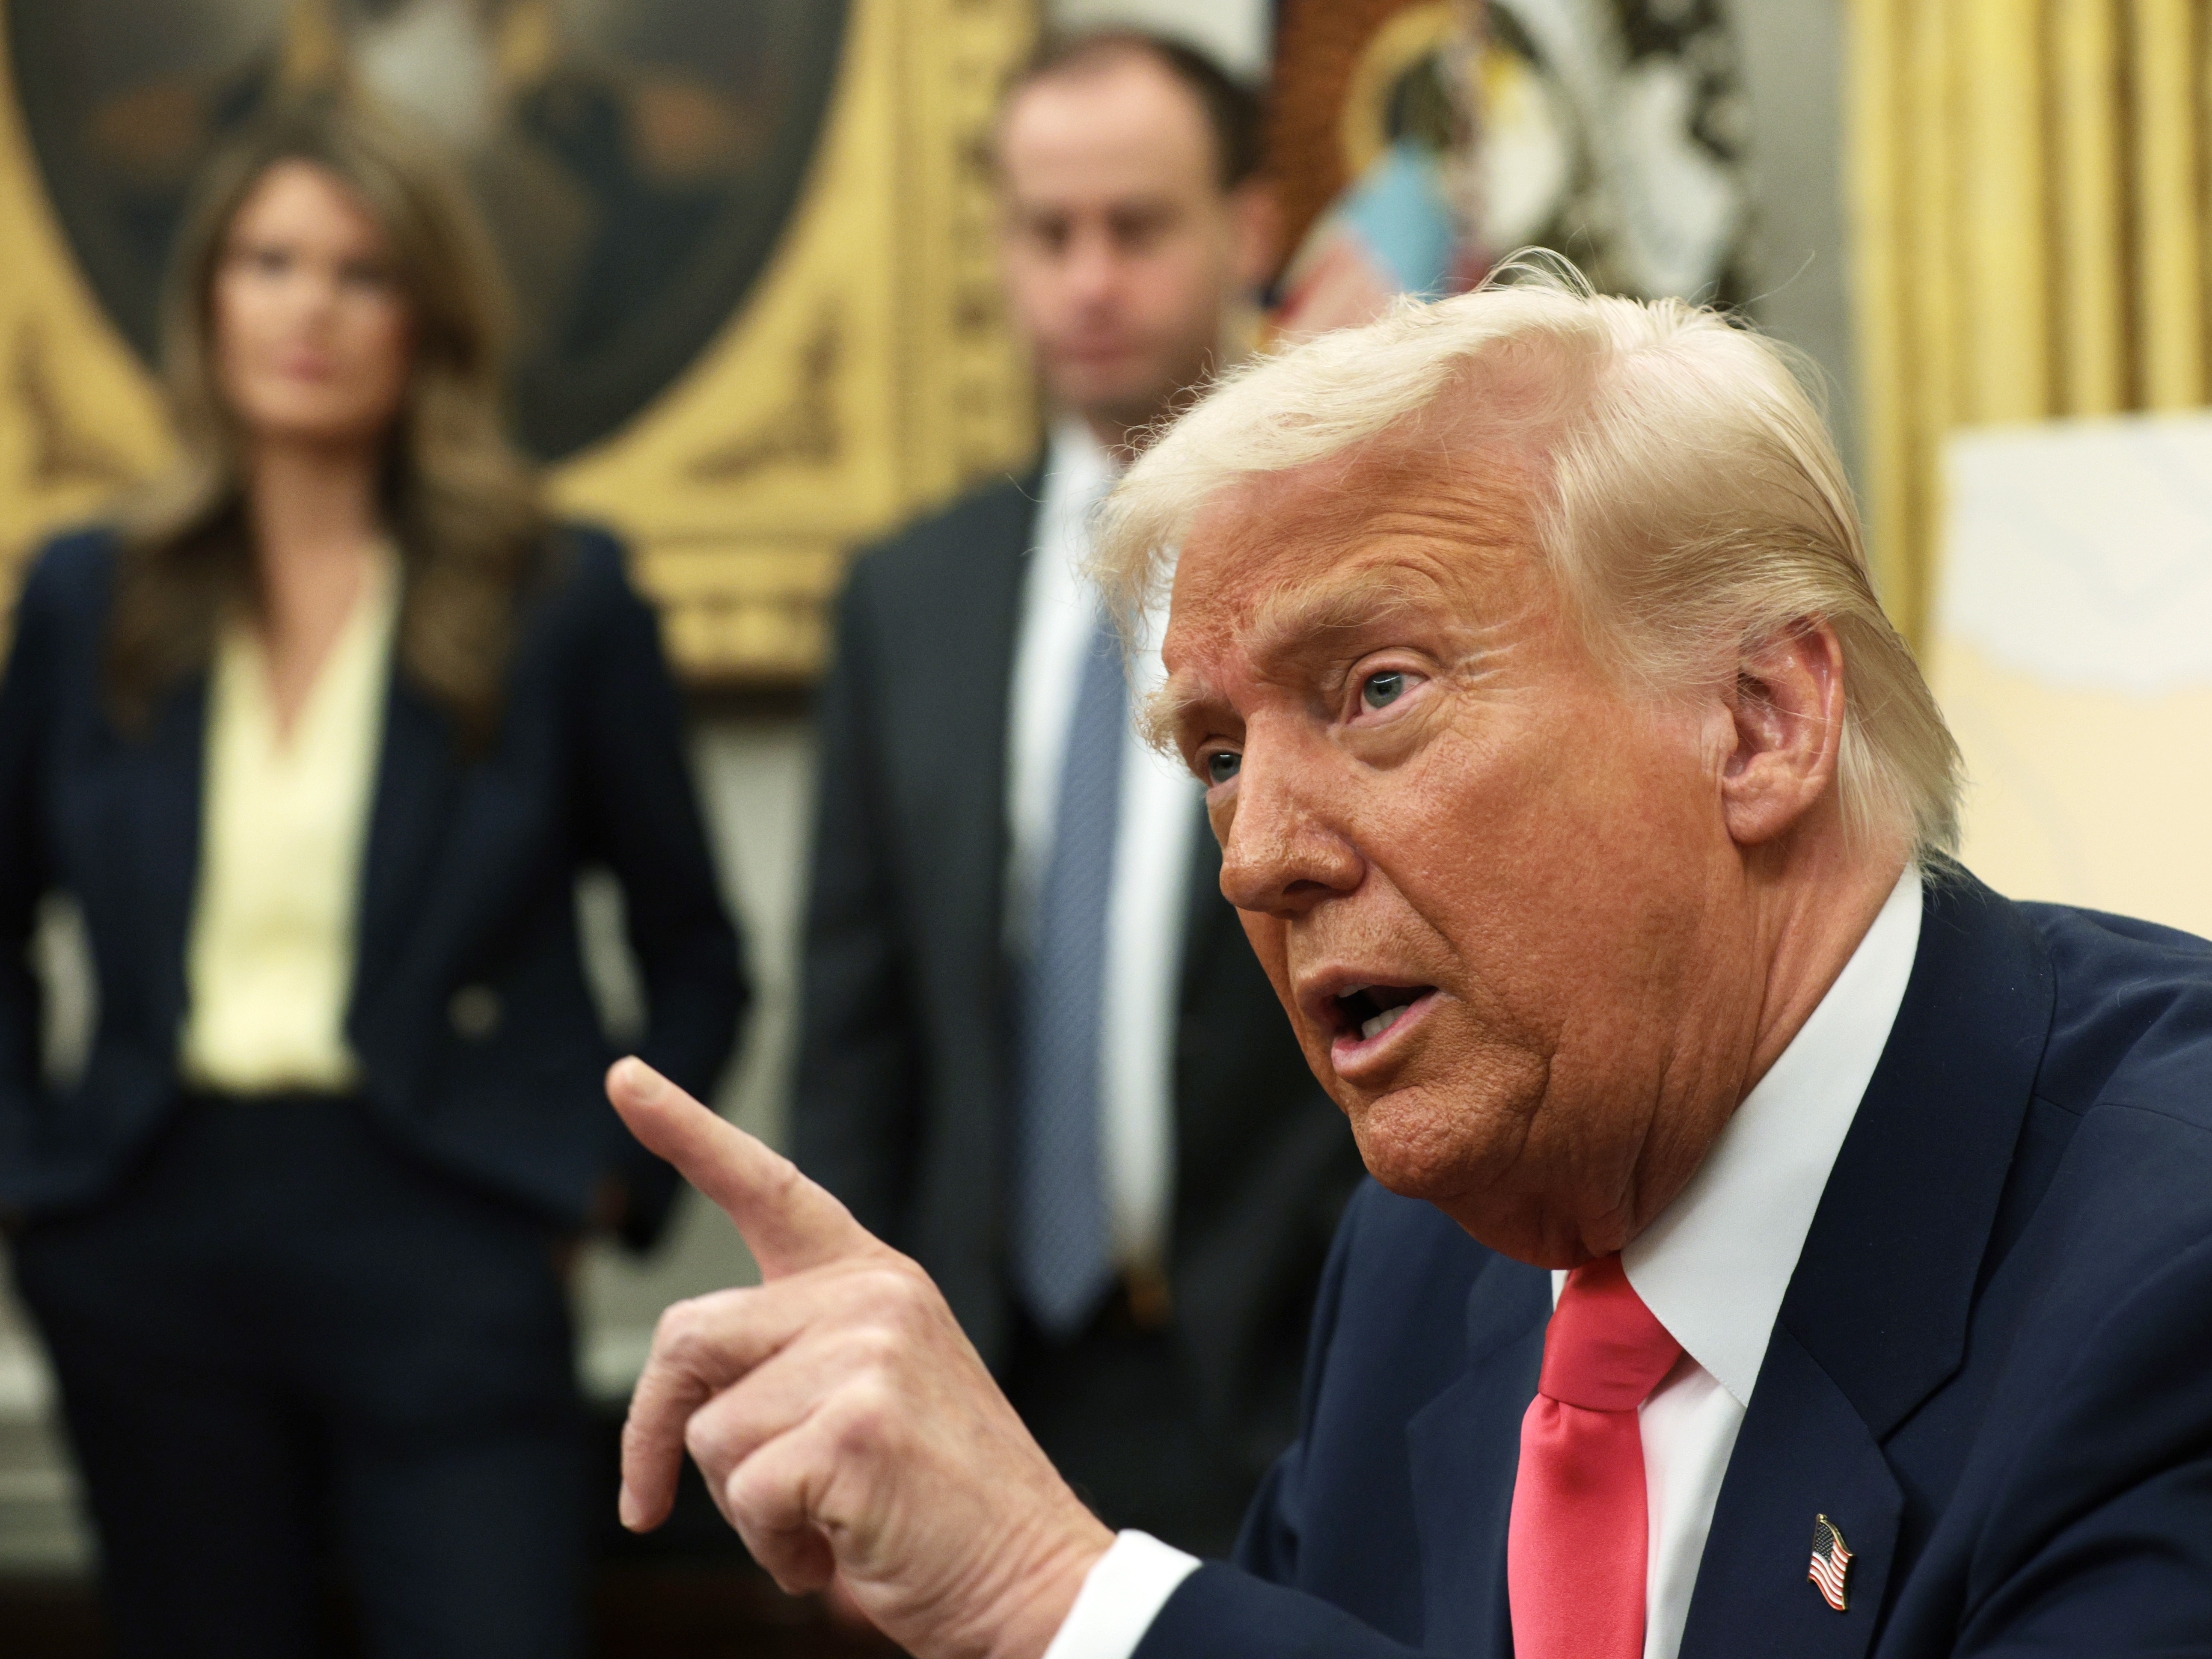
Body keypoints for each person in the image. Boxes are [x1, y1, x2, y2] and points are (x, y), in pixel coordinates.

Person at [603, 261, 2212, 1659]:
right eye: (1219, 754)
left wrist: (1059, 1596)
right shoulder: (1420, 1271)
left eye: (1375, 690)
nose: (1256, 857)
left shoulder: (2167, 1257)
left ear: (1758, 722)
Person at [0, 99, 744, 1659]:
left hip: (445, 1231)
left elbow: (697, 954)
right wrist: (35, 1183)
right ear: (209, 299)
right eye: (270, 263)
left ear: (430, 316)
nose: (310, 309)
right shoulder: (93, 597)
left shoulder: (558, 597)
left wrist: (587, 1190)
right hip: (150, 1235)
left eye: (361, 272)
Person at [794, 30, 1359, 1554]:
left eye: (1137, 225)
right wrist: (848, 1410)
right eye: (1050, 233)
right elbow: (857, 1046)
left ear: (1246, 231)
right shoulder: (908, 600)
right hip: (990, 1395)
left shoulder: (1353, 567)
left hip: (1294, 1385)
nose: (1089, 278)